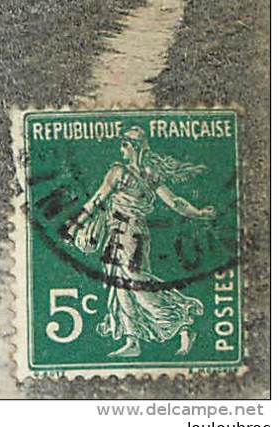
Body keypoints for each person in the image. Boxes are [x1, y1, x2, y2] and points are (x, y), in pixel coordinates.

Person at [60, 126, 215, 358]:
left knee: (135, 283)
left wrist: (74, 225)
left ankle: (182, 319)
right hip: (124, 233)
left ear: (133, 147)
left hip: (129, 234)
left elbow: (97, 200)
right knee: (120, 285)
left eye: (125, 144)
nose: (121, 148)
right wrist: (199, 213)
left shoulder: (121, 172)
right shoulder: (145, 174)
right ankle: (132, 340)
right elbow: (175, 203)